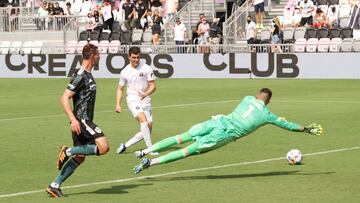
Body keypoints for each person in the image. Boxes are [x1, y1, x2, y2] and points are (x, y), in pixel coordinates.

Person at [132, 88, 323, 174]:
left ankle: (145, 151)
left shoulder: (247, 98)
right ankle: (151, 162)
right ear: (268, 102)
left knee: (181, 137)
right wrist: (305, 129)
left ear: (257, 95)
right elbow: (288, 125)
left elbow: (255, 106)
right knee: (186, 151)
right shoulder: (268, 115)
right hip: (223, 135)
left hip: (217, 121)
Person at [46, 44, 110, 198]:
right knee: (104, 147)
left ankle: (54, 185)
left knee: (80, 157)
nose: (100, 56)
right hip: (82, 120)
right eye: (98, 54)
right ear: (93, 56)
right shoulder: (81, 75)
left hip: (83, 120)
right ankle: (67, 150)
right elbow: (64, 97)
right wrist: (73, 120)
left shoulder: (88, 74)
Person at [115, 46, 158, 156]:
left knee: (147, 129)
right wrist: (118, 104)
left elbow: (153, 85)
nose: (136, 60)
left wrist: (146, 93)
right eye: (134, 57)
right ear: (129, 57)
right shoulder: (124, 71)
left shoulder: (147, 68)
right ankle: (150, 149)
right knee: (143, 121)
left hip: (145, 100)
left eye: (138, 57)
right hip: (132, 99)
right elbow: (120, 88)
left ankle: (125, 146)